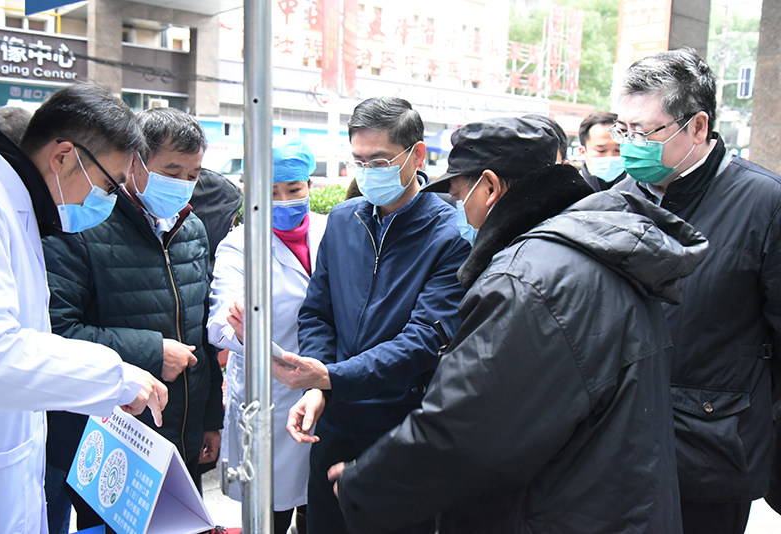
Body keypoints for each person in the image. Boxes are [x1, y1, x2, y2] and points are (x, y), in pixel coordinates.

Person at [327, 115, 709, 534]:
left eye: (459, 195)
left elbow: (466, 427)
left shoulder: (526, 280)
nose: (459, 210)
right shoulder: (596, 248)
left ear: (489, 188)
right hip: (617, 504)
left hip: (559, 512)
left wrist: (365, 486)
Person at [275, 96, 471, 534]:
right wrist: (320, 385)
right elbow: (318, 313)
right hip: (334, 421)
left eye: (379, 161)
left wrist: (330, 377)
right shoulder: (344, 220)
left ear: (416, 155)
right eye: (359, 161)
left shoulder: (450, 233)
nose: (367, 172)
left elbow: (423, 340)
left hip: (401, 428)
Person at [0, 81, 167, 534]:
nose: (107, 200)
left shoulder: (18, 205)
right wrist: (115, 378)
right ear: (63, 156)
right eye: (108, 185)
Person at [611, 47, 781, 534]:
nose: (630, 145)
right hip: (619, 449)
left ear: (698, 127)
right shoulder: (618, 198)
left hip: (713, 450)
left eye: (644, 132)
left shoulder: (765, 204)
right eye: (623, 130)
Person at [42, 107, 222, 531]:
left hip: (180, 438)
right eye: (171, 170)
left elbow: (201, 333)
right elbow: (56, 330)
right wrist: (152, 351)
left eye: (193, 174)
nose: (182, 183)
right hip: (110, 441)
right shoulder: (83, 224)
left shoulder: (191, 229)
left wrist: (210, 420)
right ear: (134, 163)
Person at [209, 137, 325, 534]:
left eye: (293, 189)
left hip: (325, 390)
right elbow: (220, 321)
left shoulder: (331, 231)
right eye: (271, 192)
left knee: (320, 508)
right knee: (268, 514)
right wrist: (243, 330)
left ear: (310, 186)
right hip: (269, 397)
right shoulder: (240, 245)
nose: (284, 201)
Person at [577, 110, 626, 191]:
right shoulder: (571, 190)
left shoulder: (641, 190)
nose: (610, 157)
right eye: (601, 150)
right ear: (582, 151)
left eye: (618, 150)